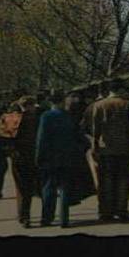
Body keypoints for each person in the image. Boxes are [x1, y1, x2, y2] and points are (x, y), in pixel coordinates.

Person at [35, 91, 90, 227]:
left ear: (51, 102)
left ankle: (47, 218)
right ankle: (64, 219)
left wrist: (39, 156)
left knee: (49, 188)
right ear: (61, 102)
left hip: (50, 158)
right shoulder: (68, 116)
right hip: (68, 158)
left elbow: (41, 138)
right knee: (65, 188)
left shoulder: (46, 116)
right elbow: (79, 136)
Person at [88, 84, 129, 221]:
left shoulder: (99, 105)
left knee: (105, 182)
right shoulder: (127, 105)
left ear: (108, 91)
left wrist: (94, 148)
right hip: (123, 149)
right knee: (123, 181)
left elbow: (95, 129)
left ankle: (105, 212)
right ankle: (122, 210)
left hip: (105, 149)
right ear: (121, 89)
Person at [9, 96, 41, 228]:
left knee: (20, 186)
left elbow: (3, 139)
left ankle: (22, 214)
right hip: (32, 155)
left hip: (17, 156)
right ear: (31, 105)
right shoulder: (36, 119)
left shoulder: (10, 118)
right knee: (28, 187)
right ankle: (25, 215)